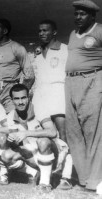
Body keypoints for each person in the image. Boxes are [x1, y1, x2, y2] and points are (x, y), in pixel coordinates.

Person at [0, 84, 71, 192]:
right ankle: (32, 173)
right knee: (4, 152)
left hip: (54, 153)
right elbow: (14, 140)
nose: (20, 102)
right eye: (16, 99)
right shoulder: (10, 116)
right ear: (12, 100)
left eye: (23, 98)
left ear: (28, 97)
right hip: (34, 155)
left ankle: (45, 183)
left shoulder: (38, 109)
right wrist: (11, 139)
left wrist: (26, 133)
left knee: (43, 141)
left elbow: (52, 132)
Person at [65, 0, 102, 193]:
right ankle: (84, 178)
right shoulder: (73, 34)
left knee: (93, 133)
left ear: (93, 16)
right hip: (70, 83)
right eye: (76, 14)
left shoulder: (100, 31)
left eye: (82, 14)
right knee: (74, 132)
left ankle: (95, 181)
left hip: (92, 82)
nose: (78, 17)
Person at [32, 19, 72, 189]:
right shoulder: (38, 52)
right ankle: (44, 170)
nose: (42, 33)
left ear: (54, 32)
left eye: (45, 30)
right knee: (44, 135)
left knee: (63, 136)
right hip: (41, 96)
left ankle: (66, 176)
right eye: (40, 30)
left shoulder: (64, 49)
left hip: (58, 94)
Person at [0, 18, 34, 113]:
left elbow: (29, 76)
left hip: (10, 93)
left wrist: (18, 93)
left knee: (13, 122)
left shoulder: (17, 48)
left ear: (5, 31)